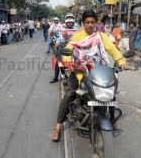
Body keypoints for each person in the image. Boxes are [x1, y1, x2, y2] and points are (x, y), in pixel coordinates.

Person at [50, 10, 130, 142]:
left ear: (96, 23)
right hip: (80, 71)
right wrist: (68, 62)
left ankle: (110, 117)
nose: (90, 25)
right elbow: (69, 49)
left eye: (92, 22)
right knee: (70, 94)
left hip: (98, 71)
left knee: (110, 89)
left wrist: (122, 62)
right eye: (87, 22)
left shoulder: (101, 36)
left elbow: (112, 50)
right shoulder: (77, 36)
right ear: (83, 23)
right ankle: (58, 126)